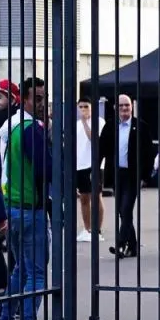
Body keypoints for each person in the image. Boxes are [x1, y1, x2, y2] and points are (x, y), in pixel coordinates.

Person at [0, 78, 49, 320]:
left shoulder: (14, 127)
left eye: (43, 98)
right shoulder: (31, 130)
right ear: (25, 99)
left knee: (21, 270)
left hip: (13, 206)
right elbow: (46, 168)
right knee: (36, 273)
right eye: (37, 98)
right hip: (31, 208)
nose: (41, 103)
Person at [97, 94, 154, 258]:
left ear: (132, 107)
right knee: (123, 211)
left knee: (126, 208)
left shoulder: (140, 126)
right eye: (121, 105)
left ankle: (121, 244)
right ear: (116, 107)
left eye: (127, 105)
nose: (124, 108)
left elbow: (149, 153)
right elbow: (101, 149)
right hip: (117, 174)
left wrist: (145, 176)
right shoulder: (110, 126)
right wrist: (95, 171)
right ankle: (133, 246)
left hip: (133, 174)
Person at [73, 100, 101, 243]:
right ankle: (87, 228)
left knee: (96, 197)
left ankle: (97, 230)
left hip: (93, 164)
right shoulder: (76, 124)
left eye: (86, 107)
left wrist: (85, 122)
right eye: (81, 107)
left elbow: (93, 138)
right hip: (80, 165)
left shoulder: (99, 122)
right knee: (84, 198)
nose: (83, 109)